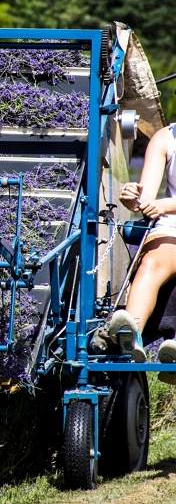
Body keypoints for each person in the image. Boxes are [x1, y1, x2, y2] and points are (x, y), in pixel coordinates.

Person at [92, 123, 176, 384]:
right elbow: (146, 200)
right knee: (151, 262)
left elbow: (160, 204)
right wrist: (134, 198)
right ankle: (131, 334)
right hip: (171, 227)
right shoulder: (165, 138)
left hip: (169, 213)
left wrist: (164, 204)